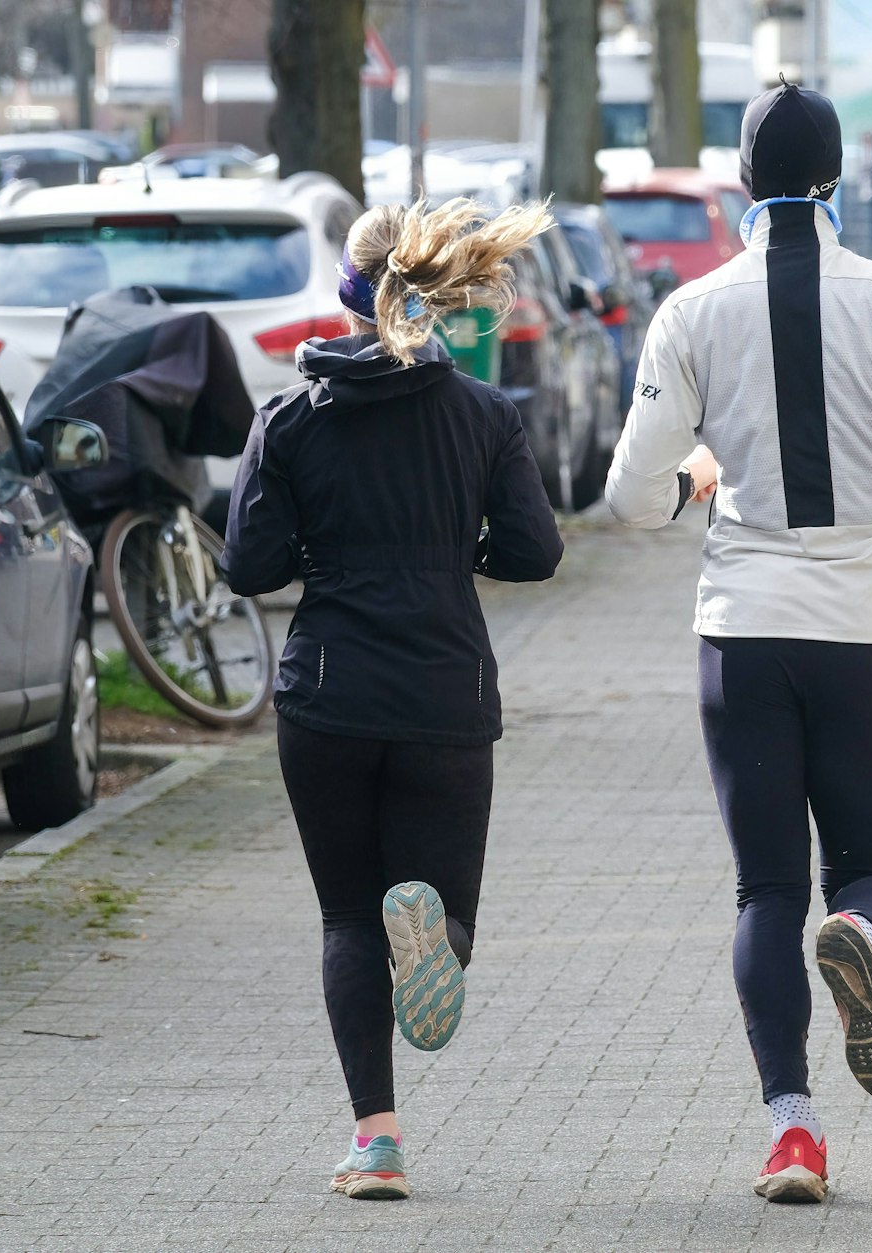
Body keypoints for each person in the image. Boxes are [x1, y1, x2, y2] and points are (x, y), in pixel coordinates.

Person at [604, 79, 872, 1205]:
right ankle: (856, 929)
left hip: (741, 631)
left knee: (759, 892)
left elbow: (629, 498)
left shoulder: (692, 309)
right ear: (838, 177)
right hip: (864, 628)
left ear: (740, 178)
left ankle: (792, 1130)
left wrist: (698, 476)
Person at [223, 198, 564, 1200]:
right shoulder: (482, 414)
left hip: (326, 691)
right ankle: (438, 940)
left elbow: (249, 564)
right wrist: (462, 548)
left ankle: (375, 1140)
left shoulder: (289, 416)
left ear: (345, 292)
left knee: (344, 918)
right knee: (438, 902)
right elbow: (536, 551)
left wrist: (314, 548)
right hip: (442, 691)